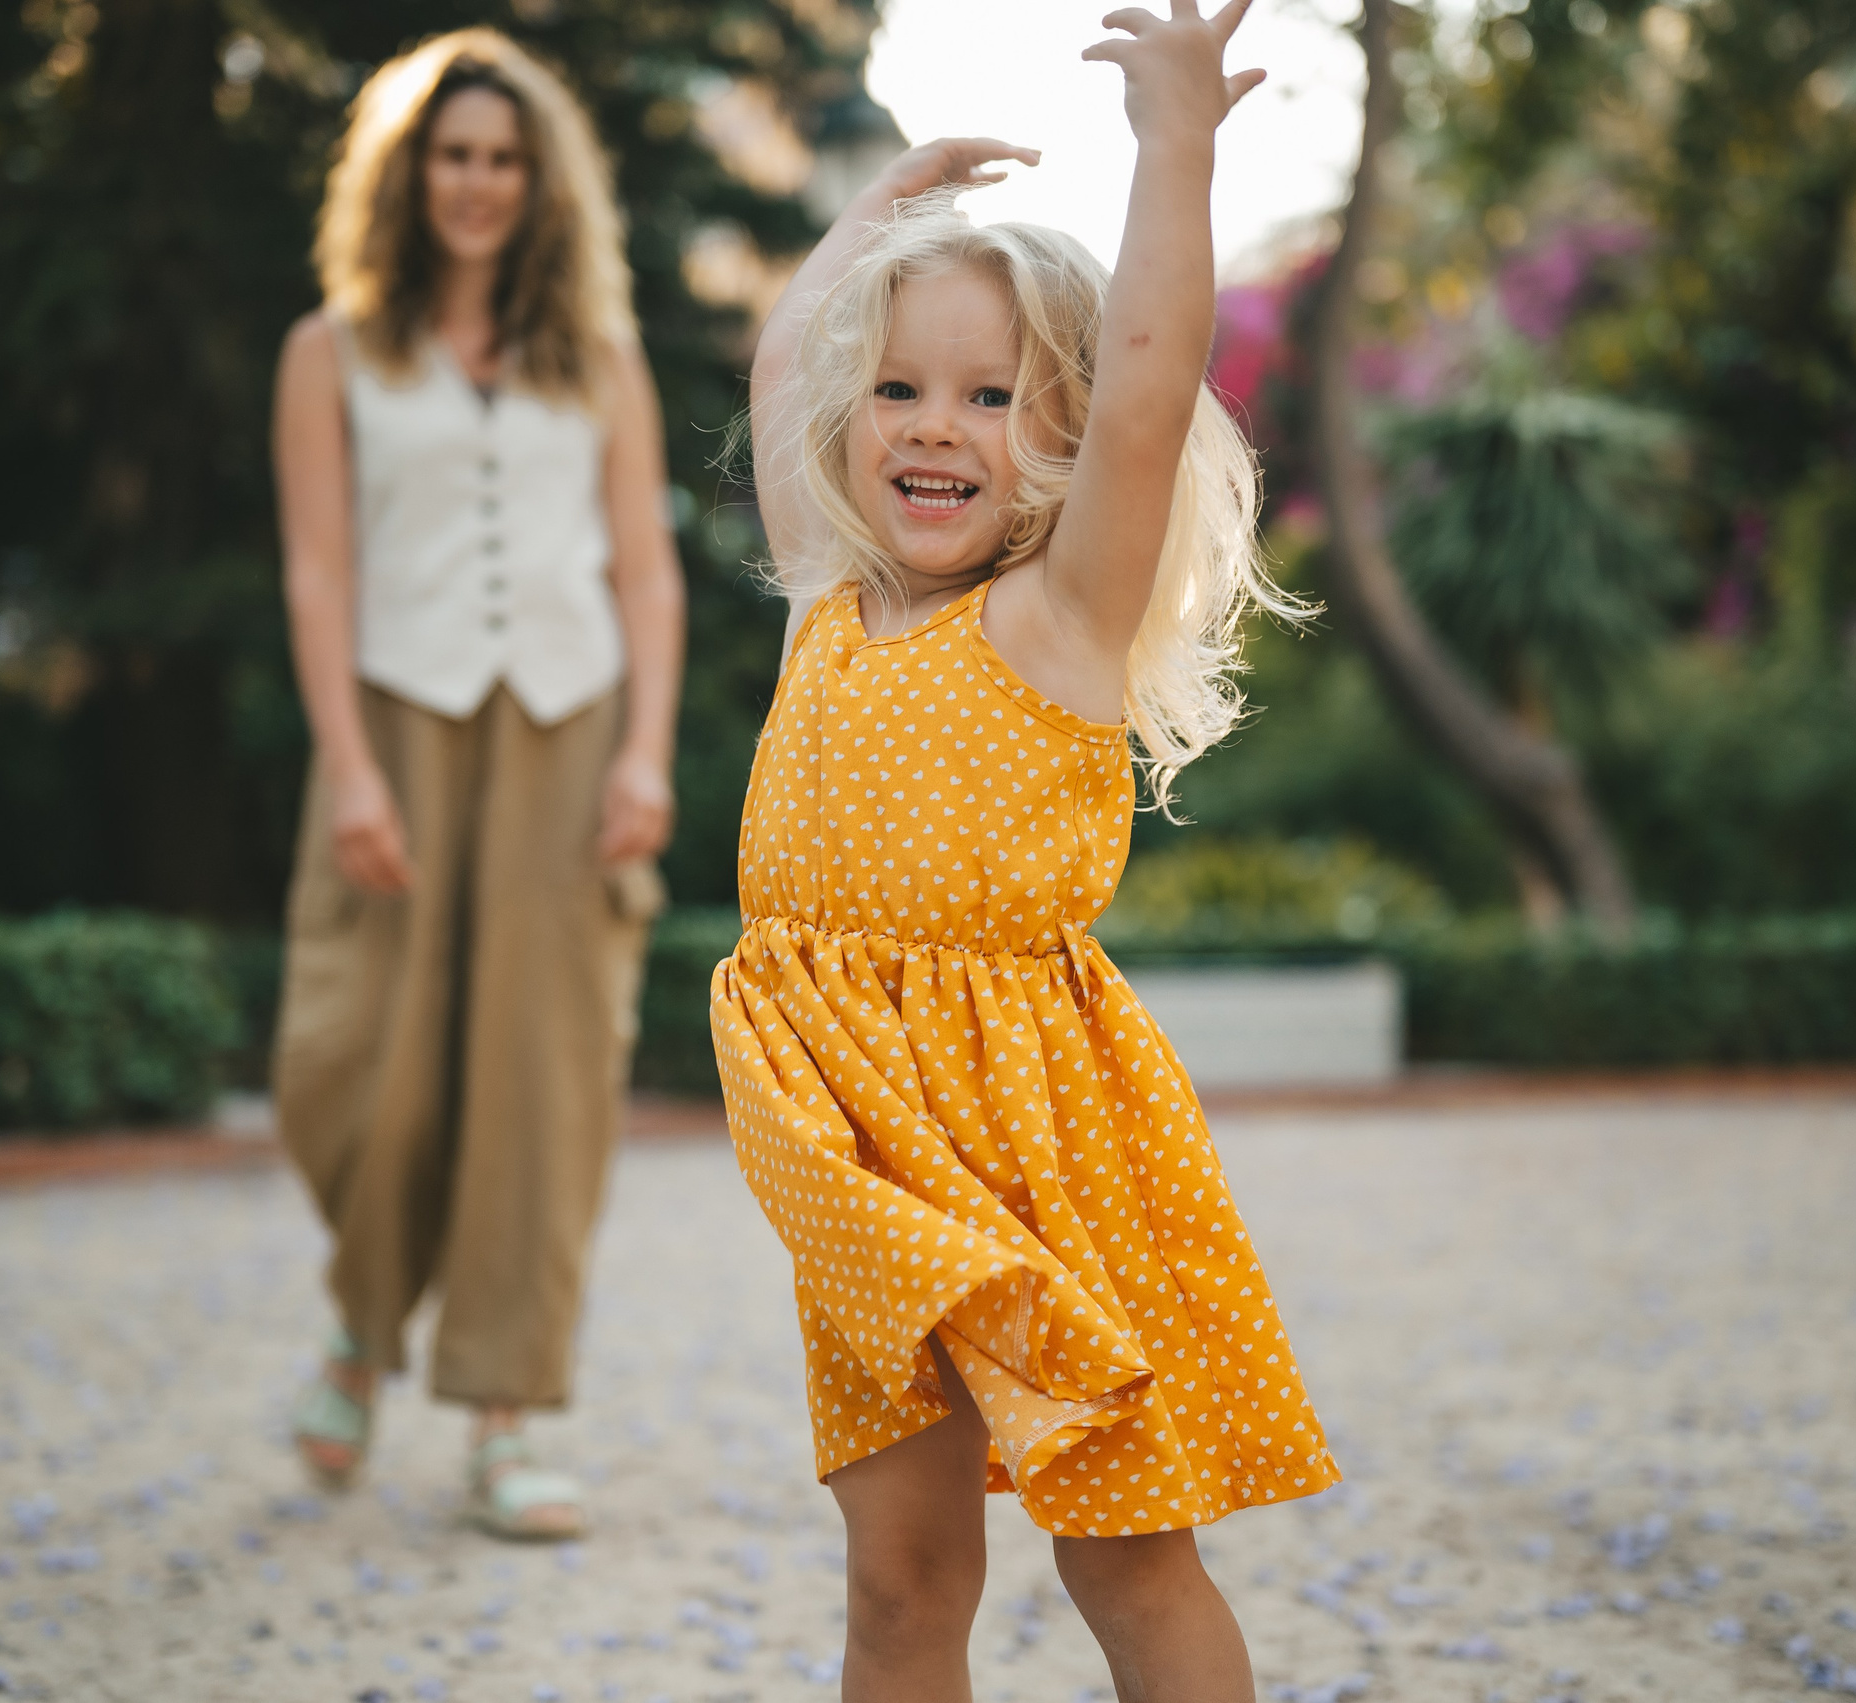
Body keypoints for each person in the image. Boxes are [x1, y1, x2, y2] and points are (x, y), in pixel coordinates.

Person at [712, 2, 1336, 1693]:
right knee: (899, 1579)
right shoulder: (825, 612)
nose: (934, 425)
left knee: (1127, 1556)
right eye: (901, 387)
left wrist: (1181, 145)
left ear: (1057, 446)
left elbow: (1148, 380)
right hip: (864, 1158)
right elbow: (785, 369)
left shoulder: (1060, 620)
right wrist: (871, 233)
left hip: (1042, 1138)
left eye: (993, 396)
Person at [269, 26, 684, 1542]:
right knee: (363, 1059)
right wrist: (350, 767)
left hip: (567, 729)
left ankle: (510, 1411)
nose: (479, 182)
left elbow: (646, 573)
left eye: (506, 157)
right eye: (453, 154)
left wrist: (645, 752)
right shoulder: (332, 352)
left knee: (542, 1071)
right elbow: (320, 574)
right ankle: (360, 1333)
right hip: (394, 720)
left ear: (541, 181)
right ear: (409, 171)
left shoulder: (606, 362)